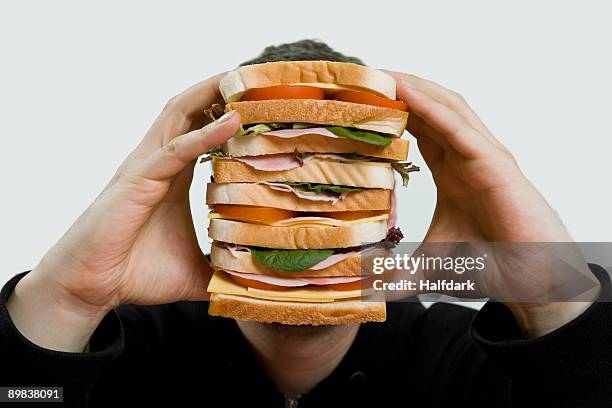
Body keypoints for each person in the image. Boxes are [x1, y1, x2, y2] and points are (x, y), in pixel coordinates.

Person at [1, 40, 610, 407]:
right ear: (213, 193)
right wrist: (65, 301)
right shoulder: (118, 350)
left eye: (349, 165)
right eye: (268, 160)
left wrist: (552, 295)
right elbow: (22, 398)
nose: (306, 200)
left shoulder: (476, 363)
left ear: (390, 204)